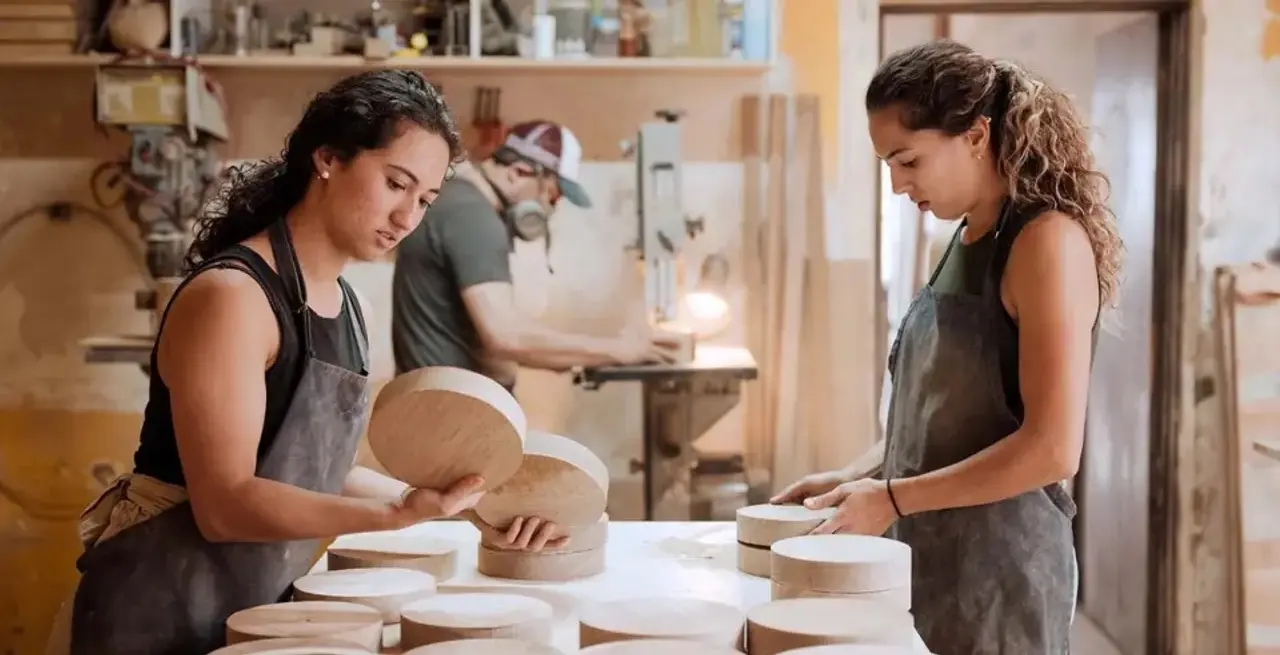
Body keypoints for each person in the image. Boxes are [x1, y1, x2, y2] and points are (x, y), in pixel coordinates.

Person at [50, 70, 558, 655]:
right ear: (327, 158)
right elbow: (224, 504)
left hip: (246, 607)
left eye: (425, 200)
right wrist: (396, 513)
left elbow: (313, 467)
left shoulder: (348, 306)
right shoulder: (234, 298)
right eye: (396, 183)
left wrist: (464, 508)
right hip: (147, 611)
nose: (407, 217)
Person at [771, 40, 1122, 653]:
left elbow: (1052, 449)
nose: (899, 184)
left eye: (909, 161)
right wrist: (855, 476)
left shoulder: (1046, 244)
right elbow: (948, 421)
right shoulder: (964, 239)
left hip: (1000, 580)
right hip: (929, 563)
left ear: (977, 134)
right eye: (888, 165)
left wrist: (892, 497)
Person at [391, 119, 681, 392]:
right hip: (447, 417)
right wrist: (621, 349)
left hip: (444, 408)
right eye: (551, 195)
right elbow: (506, 337)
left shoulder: (458, 201)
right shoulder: (473, 218)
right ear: (518, 172)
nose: (549, 208)